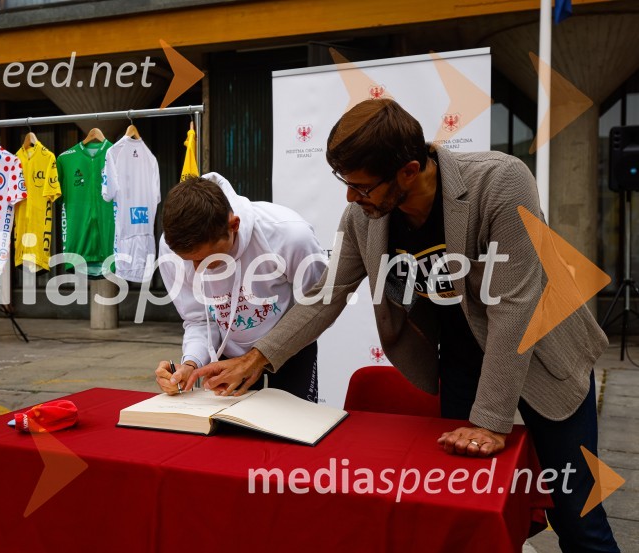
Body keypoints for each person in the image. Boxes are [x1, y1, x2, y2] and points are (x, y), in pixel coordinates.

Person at [187, 100, 619, 551]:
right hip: (462, 361)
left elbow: (515, 307)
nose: (351, 198)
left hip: (546, 356)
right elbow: (326, 294)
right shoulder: (364, 217)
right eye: (346, 184)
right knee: (465, 508)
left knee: (577, 514)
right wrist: (257, 359)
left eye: (362, 186)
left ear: (409, 171)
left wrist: (490, 423)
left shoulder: (501, 182)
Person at [154, 173, 326, 401]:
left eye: (208, 259)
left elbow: (317, 308)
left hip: (290, 348)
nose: (197, 270)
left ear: (233, 225)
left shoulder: (289, 235)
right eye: (190, 260)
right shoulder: (171, 248)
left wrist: (258, 357)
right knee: (229, 432)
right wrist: (190, 363)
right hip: (227, 353)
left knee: (294, 428)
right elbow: (198, 319)